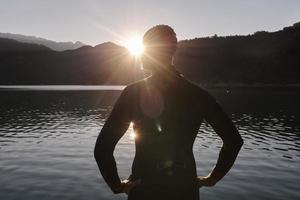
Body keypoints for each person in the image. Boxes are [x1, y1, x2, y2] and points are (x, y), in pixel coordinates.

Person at [94, 25, 244, 200]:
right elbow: (233, 141)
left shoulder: (132, 93)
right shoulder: (198, 95)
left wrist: (117, 185)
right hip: (184, 189)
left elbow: (102, 149)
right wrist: (212, 179)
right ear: (173, 51)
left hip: (144, 189)